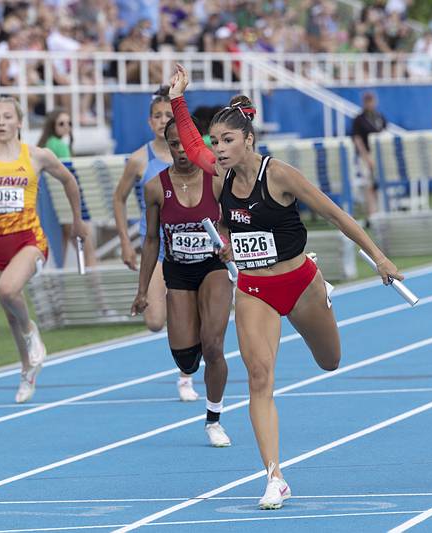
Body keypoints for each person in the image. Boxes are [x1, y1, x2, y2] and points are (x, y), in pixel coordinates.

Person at [168, 64, 402, 510]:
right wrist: (178, 98)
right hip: (254, 288)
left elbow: (337, 215)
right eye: (215, 142)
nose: (217, 150)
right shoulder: (218, 176)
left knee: (330, 361)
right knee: (259, 377)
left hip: (300, 281)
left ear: (249, 139)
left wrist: (381, 258)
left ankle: (324, 296)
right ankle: (274, 475)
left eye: (227, 141)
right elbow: (191, 143)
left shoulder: (280, 175)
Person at [0, 97, 89, 403]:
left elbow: (69, 181)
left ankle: (32, 331)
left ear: (20, 122)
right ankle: (27, 370)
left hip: (28, 240)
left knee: (8, 291)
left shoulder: (36, 156)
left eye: (7, 117)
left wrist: (77, 220)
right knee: (10, 316)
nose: (1, 123)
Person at [131, 115, 233, 447]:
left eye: (186, 144)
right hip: (178, 272)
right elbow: (150, 241)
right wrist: (142, 290)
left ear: (197, 144)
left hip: (213, 268)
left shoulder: (216, 179)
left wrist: (228, 244)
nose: (180, 151)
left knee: (214, 345)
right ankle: (198, 346)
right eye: (173, 144)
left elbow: (234, 222)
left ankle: (213, 418)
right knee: (186, 357)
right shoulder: (155, 187)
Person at [112, 87, 200, 402]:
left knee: (187, 310)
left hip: (191, 244)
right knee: (153, 321)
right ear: (150, 122)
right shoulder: (139, 159)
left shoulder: (192, 154)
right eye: (159, 116)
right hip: (159, 246)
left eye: (170, 115)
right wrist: (124, 240)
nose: (165, 121)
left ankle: (186, 375)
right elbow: (118, 199)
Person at [37, 109, 99, 267]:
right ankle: (97, 290)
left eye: (69, 123)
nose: (66, 126)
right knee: (88, 251)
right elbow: (70, 176)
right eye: (61, 123)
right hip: (66, 204)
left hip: (55, 205)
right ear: (53, 125)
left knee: (60, 253)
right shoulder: (57, 144)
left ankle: (59, 289)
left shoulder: (48, 145)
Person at [351, 91, 387, 221]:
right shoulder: (359, 119)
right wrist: (366, 157)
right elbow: (357, 139)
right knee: (369, 184)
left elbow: (384, 133)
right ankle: (372, 214)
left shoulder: (379, 116)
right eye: (368, 101)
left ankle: (379, 212)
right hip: (366, 156)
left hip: (378, 154)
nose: (370, 103)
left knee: (378, 184)